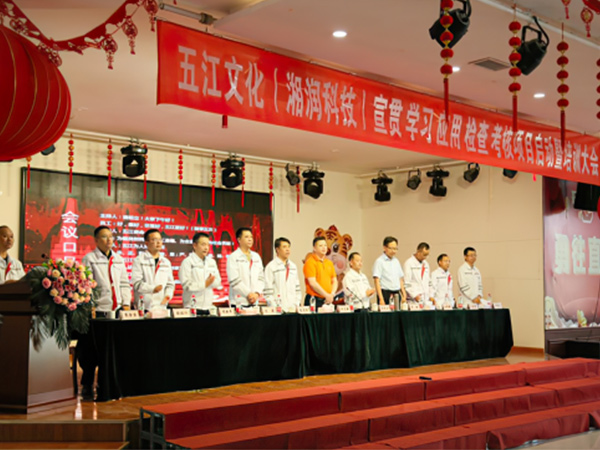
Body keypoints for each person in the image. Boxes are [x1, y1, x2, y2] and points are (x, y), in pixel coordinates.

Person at [78, 226, 131, 401]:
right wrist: (90, 305)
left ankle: (110, 384)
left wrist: (126, 303)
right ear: (96, 240)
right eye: (104, 237)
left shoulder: (119, 259)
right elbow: (86, 284)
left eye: (111, 237)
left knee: (113, 351)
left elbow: (124, 283)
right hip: (98, 310)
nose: (109, 240)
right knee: (91, 351)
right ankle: (87, 384)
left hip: (116, 310)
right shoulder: (89, 259)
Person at [131, 229, 174, 312]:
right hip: (144, 307)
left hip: (161, 307)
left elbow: (170, 284)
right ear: (146, 243)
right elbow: (137, 284)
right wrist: (153, 289)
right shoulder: (139, 260)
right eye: (154, 240)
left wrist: (168, 295)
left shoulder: (166, 262)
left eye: (160, 239)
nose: (158, 242)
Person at [179, 232, 221, 313]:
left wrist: (210, 282)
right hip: (192, 307)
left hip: (208, 306)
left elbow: (218, 282)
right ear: (195, 245)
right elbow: (187, 285)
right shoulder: (187, 262)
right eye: (203, 244)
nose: (206, 248)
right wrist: (205, 284)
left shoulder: (211, 262)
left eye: (208, 245)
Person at [226, 227, 265, 307]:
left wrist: (256, 294)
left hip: (254, 302)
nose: (250, 239)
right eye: (246, 237)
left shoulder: (256, 256)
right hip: (238, 301)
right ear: (239, 240)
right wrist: (248, 294)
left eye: (251, 237)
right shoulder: (233, 257)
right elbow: (234, 280)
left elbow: (261, 278)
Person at [264, 237, 302, 311]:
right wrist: (274, 306)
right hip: (277, 309)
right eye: (284, 247)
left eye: (288, 247)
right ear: (277, 250)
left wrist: (296, 304)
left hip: (292, 309)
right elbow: (267, 291)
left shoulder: (293, 266)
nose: (287, 249)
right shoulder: (271, 266)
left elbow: (297, 288)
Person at [303, 236, 337, 309]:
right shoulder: (310, 262)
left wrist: (332, 294)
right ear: (314, 248)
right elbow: (312, 283)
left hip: (328, 300)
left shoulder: (329, 263)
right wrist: (326, 295)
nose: (324, 248)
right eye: (320, 246)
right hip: (314, 300)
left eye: (325, 245)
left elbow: (334, 280)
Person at [372, 236, 406, 306]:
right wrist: (381, 299)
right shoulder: (379, 261)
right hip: (385, 293)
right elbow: (377, 281)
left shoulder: (396, 261)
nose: (393, 251)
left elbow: (400, 279)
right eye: (391, 248)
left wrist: (404, 294)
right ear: (384, 248)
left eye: (395, 249)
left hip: (396, 292)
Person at [403, 242, 435, 307]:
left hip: (425, 300)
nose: (425, 257)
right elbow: (406, 283)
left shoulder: (426, 264)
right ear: (418, 252)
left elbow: (429, 282)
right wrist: (414, 295)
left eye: (427, 255)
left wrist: (431, 295)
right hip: (414, 300)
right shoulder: (409, 263)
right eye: (424, 255)